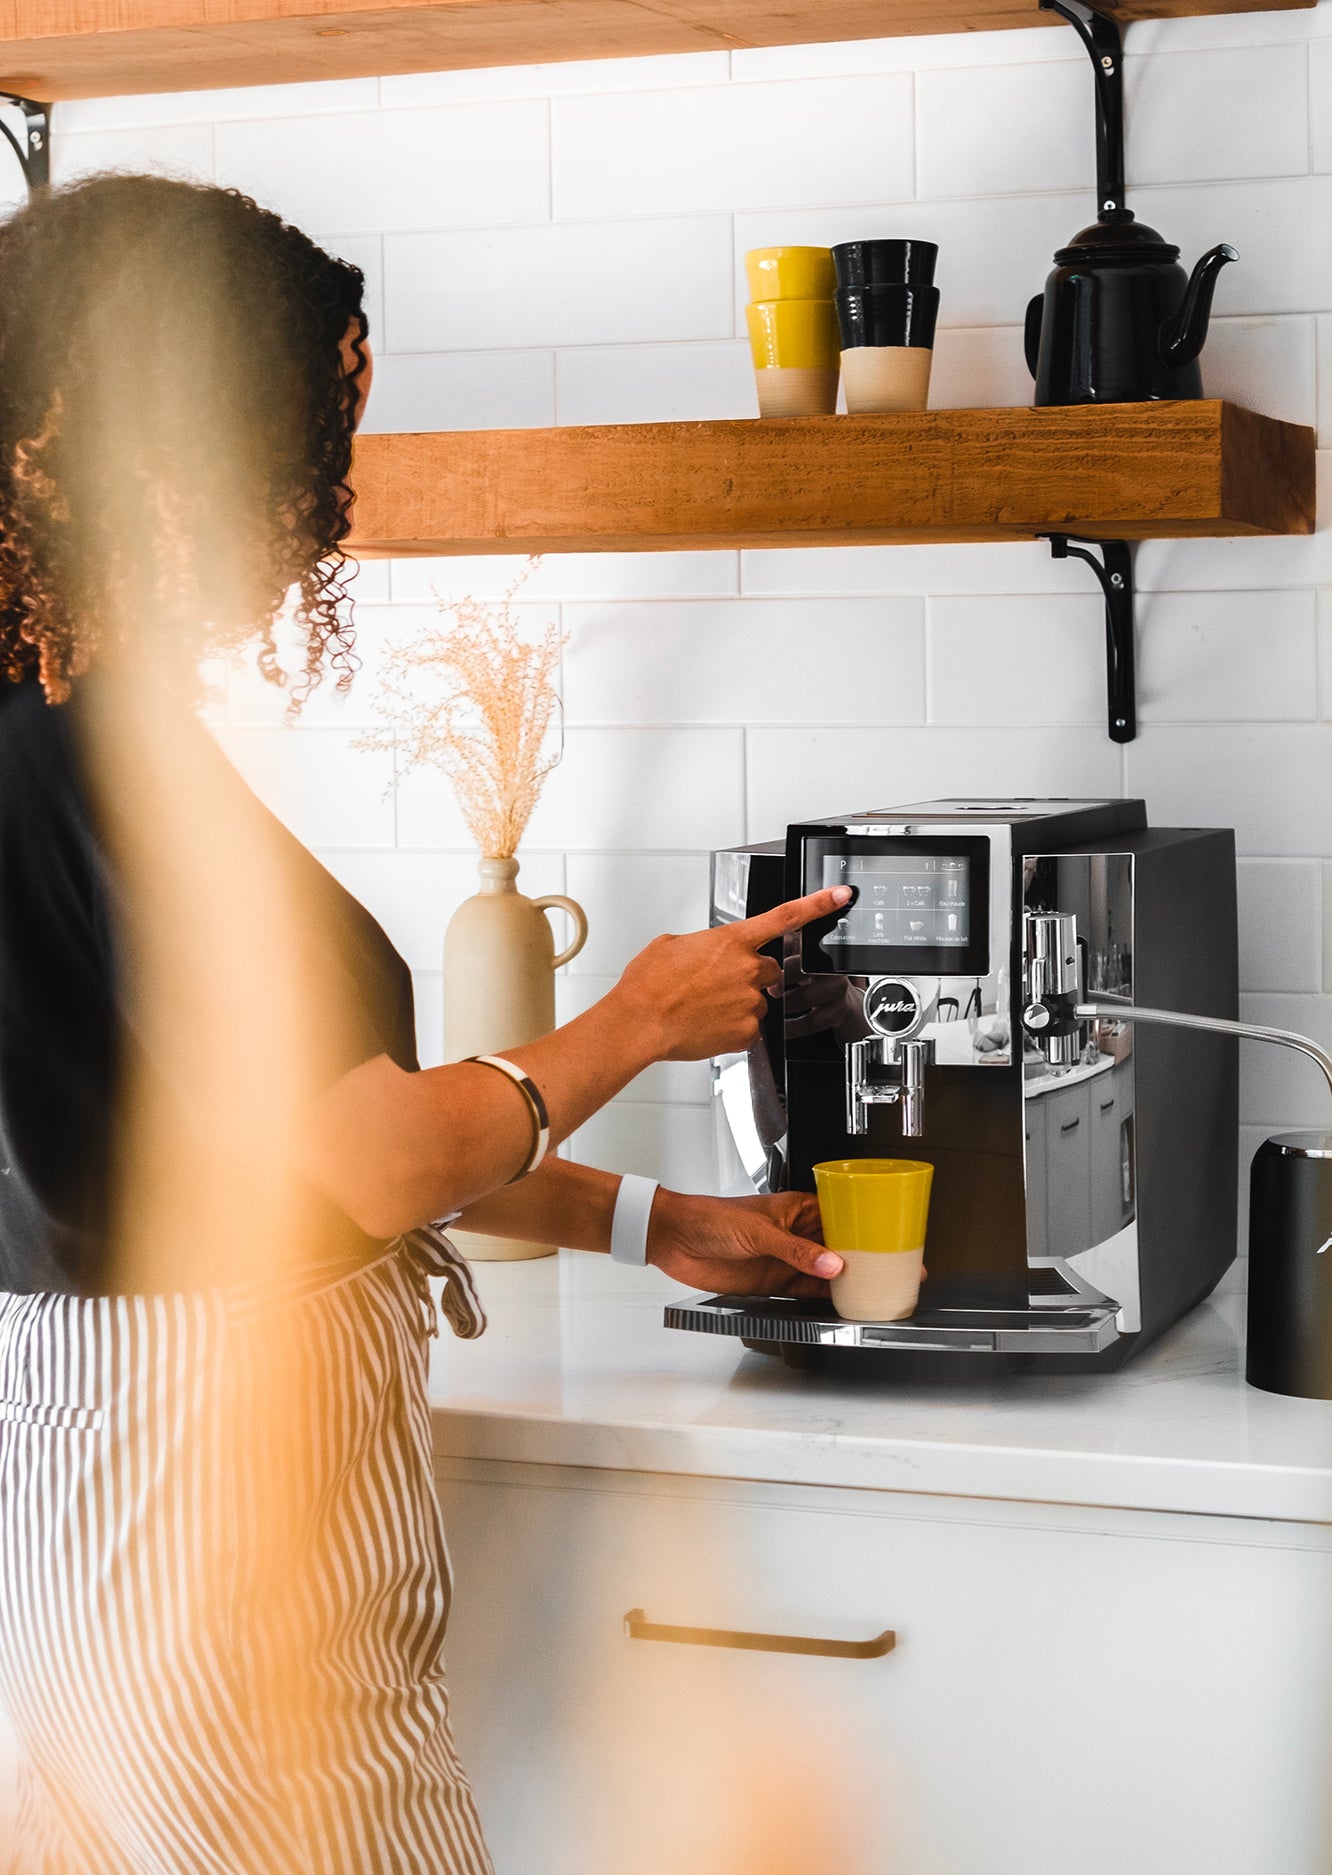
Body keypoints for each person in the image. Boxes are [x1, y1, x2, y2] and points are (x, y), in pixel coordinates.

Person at [0, 173, 848, 1873]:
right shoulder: (98, 751)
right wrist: (636, 1015)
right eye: (310, 434)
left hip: (80, 1500)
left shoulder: (44, 715)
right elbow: (376, 1154)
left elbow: (278, 1135)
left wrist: (654, 1220)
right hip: (222, 1510)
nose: (320, 505)